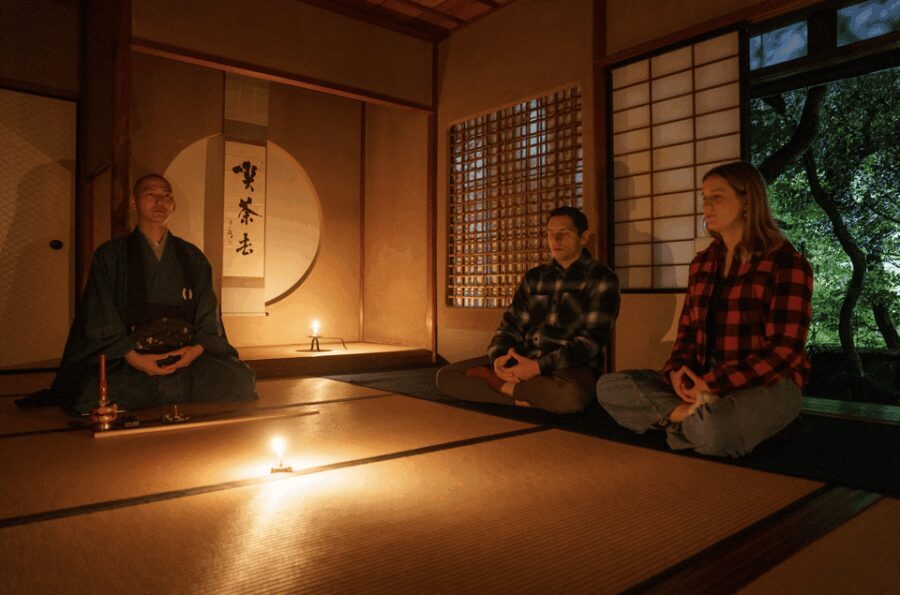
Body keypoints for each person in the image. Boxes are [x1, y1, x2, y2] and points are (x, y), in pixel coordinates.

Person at [596, 162, 813, 457]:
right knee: (610, 386)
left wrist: (713, 384)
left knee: (715, 431)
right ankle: (693, 417)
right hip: (702, 385)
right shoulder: (703, 263)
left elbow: (784, 351)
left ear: (748, 201)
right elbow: (687, 333)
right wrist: (677, 374)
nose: (706, 206)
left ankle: (688, 420)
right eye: (704, 197)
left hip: (764, 385)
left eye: (717, 197)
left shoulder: (786, 262)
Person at [17, 174, 257, 414]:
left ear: (173, 204)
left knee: (241, 379)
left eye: (166, 196)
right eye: (151, 194)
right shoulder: (111, 255)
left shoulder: (192, 256)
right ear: (133, 202)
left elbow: (208, 312)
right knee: (88, 392)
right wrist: (133, 357)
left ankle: (158, 387)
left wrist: (194, 351)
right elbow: (100, 314)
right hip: (130, 357)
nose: (159, 202)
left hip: (184, 355)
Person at [437, 206, 620, 413]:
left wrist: (537, 367)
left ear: (584, 237)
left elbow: (591, 341)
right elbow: (510, 325)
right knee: (446, 376)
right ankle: (527, 396)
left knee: (571, 397)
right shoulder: (535, 277)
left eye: (564, 233)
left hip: (569, 366)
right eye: (551, 234)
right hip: (524, 357)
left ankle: (501, 388)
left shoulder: (602, 278)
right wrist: (498, 359)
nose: (555, 239)